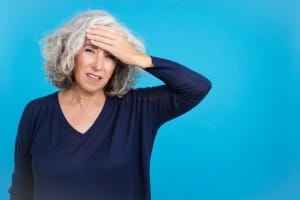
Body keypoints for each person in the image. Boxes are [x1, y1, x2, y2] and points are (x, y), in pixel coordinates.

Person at [9, 10, 212, 200]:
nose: (98, 65)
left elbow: (197, 88)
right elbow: (22, 187)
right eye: (90, 50)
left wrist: (138, 58)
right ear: (70, 54)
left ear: (118, 64)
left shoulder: (139, 108)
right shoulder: (37, 112)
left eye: (110, 56)